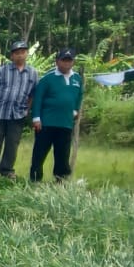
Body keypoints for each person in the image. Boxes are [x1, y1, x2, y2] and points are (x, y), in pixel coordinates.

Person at [0, 40, 38, 179]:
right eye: (17, 53)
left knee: (12, 144)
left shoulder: (32, 73)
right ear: (11, 56)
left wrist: (27, 109)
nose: (20, 55)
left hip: (18, 114)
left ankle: (7, 170)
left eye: (23, 52)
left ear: (27, 54)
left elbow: (32, 94)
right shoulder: (1, 71)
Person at [29, 48, 83, 183]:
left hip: (65, 123)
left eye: (69, 61)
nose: (66, 64)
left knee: (62, 154)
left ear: (73, 62)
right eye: (64, 60)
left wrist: (75, 110)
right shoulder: (48, 78)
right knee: (39, 153)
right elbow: (38, 99)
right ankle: (35, 179)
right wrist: (36, 118)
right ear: (57, 61)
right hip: (46, 122)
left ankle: (61, 180)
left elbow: (79, 96)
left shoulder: (77, 78)